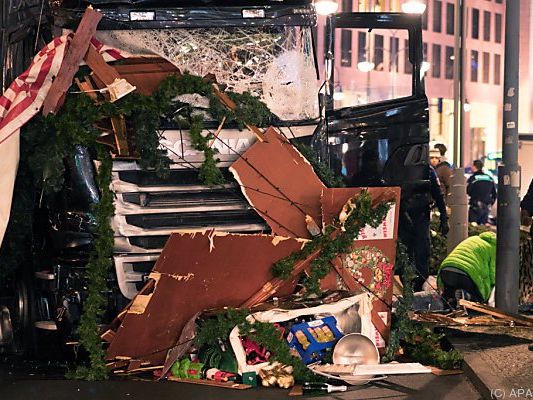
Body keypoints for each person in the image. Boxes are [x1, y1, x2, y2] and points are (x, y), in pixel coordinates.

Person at [438, 231, 496, 306]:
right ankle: (467, 296)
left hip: (445, 270)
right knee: (476, 302)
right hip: (466, 274)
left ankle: (450, 300)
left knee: (450, 298)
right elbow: (493, 275)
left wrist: (440, 285)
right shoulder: (495, 248)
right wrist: (485, 296)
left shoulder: (474, 239)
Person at [467, 160, 497, 224]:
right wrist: (490, 203)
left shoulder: (473, 178)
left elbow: (468, 191)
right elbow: (494, 194)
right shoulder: (489, 178)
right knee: (483, 227)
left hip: (475, 206)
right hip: (486, 206)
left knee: (473, 226)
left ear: (474, 167)